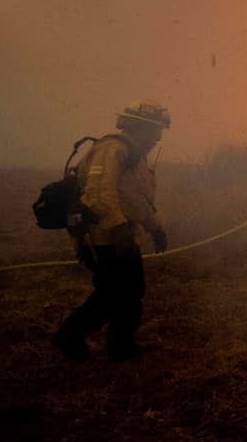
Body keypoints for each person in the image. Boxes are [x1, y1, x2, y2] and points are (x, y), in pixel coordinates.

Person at [51, 99, 171, 362]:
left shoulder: (133, 156)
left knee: (130, 291)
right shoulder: (112, 150)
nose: (157, 138)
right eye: (154, 131)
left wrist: (156, 229)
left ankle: (121, 345)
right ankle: (71, 335)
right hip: (106, 238)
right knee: (112, 295)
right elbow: (99, 196)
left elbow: (136, 201)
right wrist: (119, 230)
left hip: (121, 236)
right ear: (138, 127)